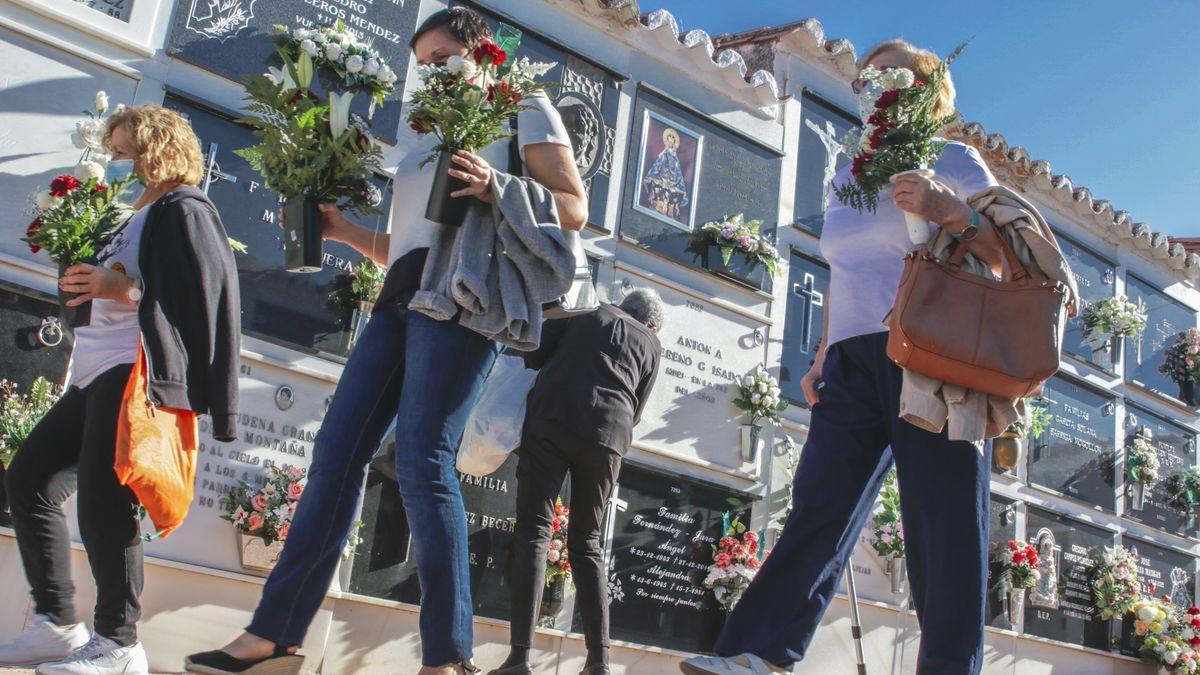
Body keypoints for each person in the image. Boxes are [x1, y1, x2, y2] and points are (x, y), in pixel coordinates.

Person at [184, 8, 587, 675]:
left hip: (464, 297)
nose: (426, 74)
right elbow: (411, 242)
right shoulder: (425, 129)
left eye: (439, 58)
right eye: (420, 64)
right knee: (335, 454)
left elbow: (572, 205)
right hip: (402, 295)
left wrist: (497, 185)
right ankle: (274, 635)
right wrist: (344, 232)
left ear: (479, 52)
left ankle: (448, 658)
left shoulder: (520, 104)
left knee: (424, 462)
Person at [681, 40, 1008, 675]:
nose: (873, 82)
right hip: (855, 358)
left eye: (890, 73)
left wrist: (950, 210)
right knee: (818, 504)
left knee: (942, 519)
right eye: (866, 75)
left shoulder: (953, 158)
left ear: (925, 89)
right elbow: (843, 269)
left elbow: (1006, 254)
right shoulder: (847, 173)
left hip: (935, 355)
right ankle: (757, 653)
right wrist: (823, 352)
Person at [0, 105, 241, 675]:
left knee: (109, 502)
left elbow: (203, 297)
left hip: (132, 372)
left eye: (123, 146)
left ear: (155, 144)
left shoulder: (186, 207)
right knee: (29, 477)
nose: (115, 158)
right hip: (93, 372)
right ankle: (57, 623)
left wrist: (124, 289)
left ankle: (119, 642)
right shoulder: (131, 213)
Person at [490, 289, 663, 675]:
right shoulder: (652, 344)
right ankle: (598, 662)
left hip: (553, 420)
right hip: (608, 439)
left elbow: (534, 354)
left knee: (535, 533)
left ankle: (519, 658)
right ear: (650, 323)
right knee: (587, 544)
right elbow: (636, 407)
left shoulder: (586, 308)